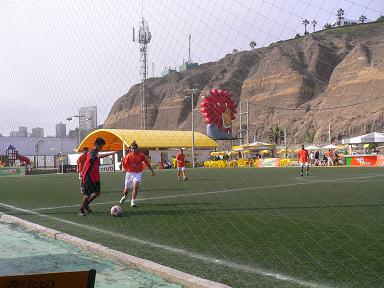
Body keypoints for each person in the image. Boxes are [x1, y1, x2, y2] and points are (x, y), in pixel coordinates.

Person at [79, 138, 115, 216]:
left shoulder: (95, 152)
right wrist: (111, 153)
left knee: (97, 193)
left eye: (102, 146)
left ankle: (86, 205)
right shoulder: (92, 152)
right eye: (100, 146)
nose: (101, 147)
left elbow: (86, 162)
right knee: (87, 195)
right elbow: (99, 156)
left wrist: (82, 171)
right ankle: (81, 210)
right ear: (96, 144)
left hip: (96, 177)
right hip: (89, 177)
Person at [119, 142, 155, 207]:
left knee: (135, 186)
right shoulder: (128, 156)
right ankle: (125, 196)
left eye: (134, 148)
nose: (133, 149)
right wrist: (123, 168)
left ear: (137, 148)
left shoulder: (141, 155)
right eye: (132, 148)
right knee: (126, 189)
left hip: (138, 173)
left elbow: (147, 163)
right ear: (130, 149)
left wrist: (152, 170)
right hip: (129, 173)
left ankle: (133, 201)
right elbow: (124, 164)